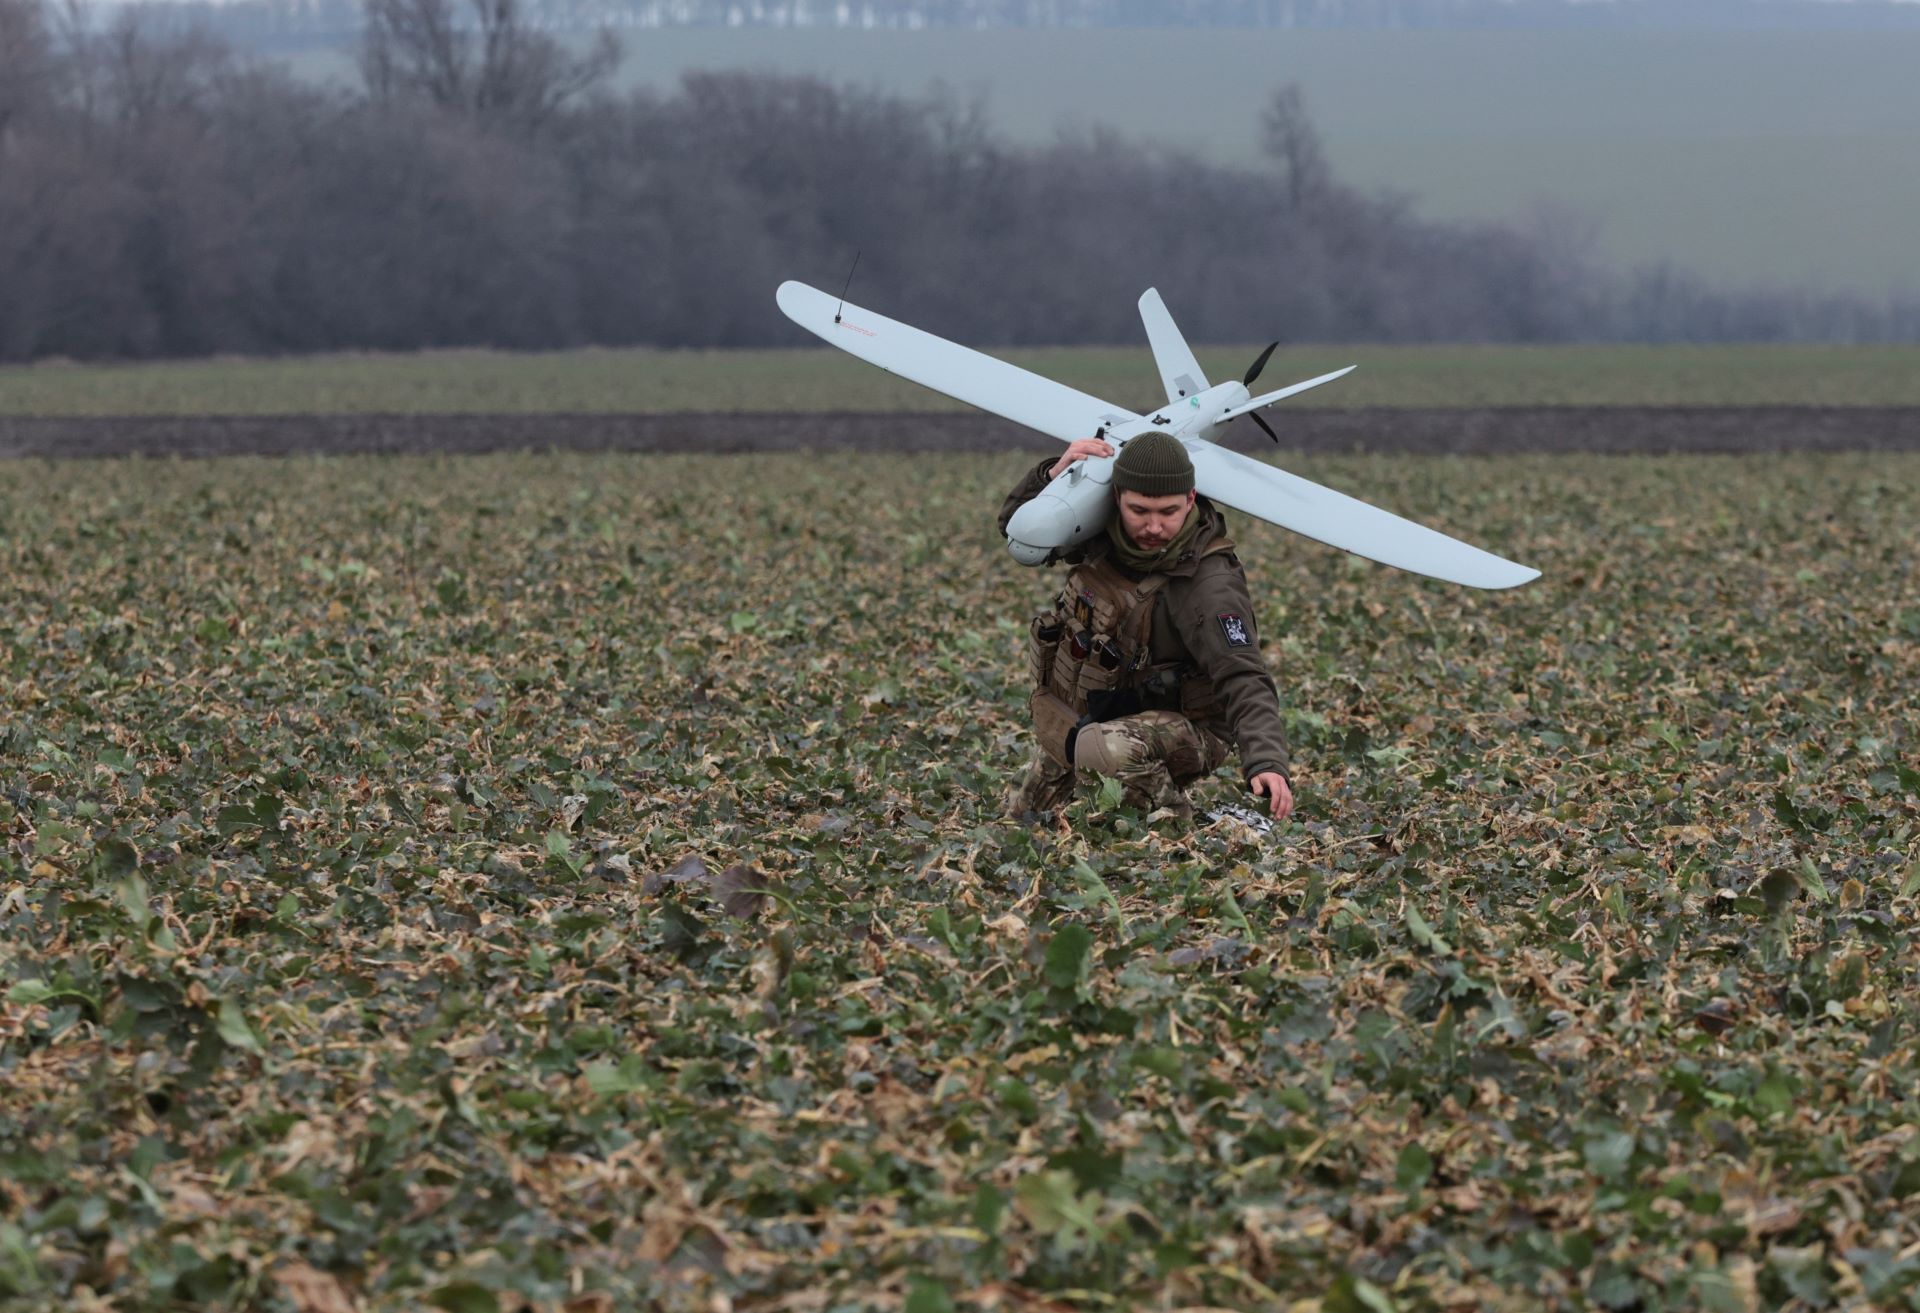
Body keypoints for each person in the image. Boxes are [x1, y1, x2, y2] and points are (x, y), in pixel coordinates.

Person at [998, 431, 1295, 825]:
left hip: (1190, 728)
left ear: (1190, 500)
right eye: (1139, 510)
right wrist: (1052, 476)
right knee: (1025, 820)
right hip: (1106, 713)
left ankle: (1185, 825)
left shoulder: (1208, 586)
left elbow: (1243, 675)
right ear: (1116, 497)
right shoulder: (1102, 535)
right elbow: (1017, 532)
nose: (1153, 527)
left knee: (1100, 751)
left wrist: (1266, 762)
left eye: (1168, 512)